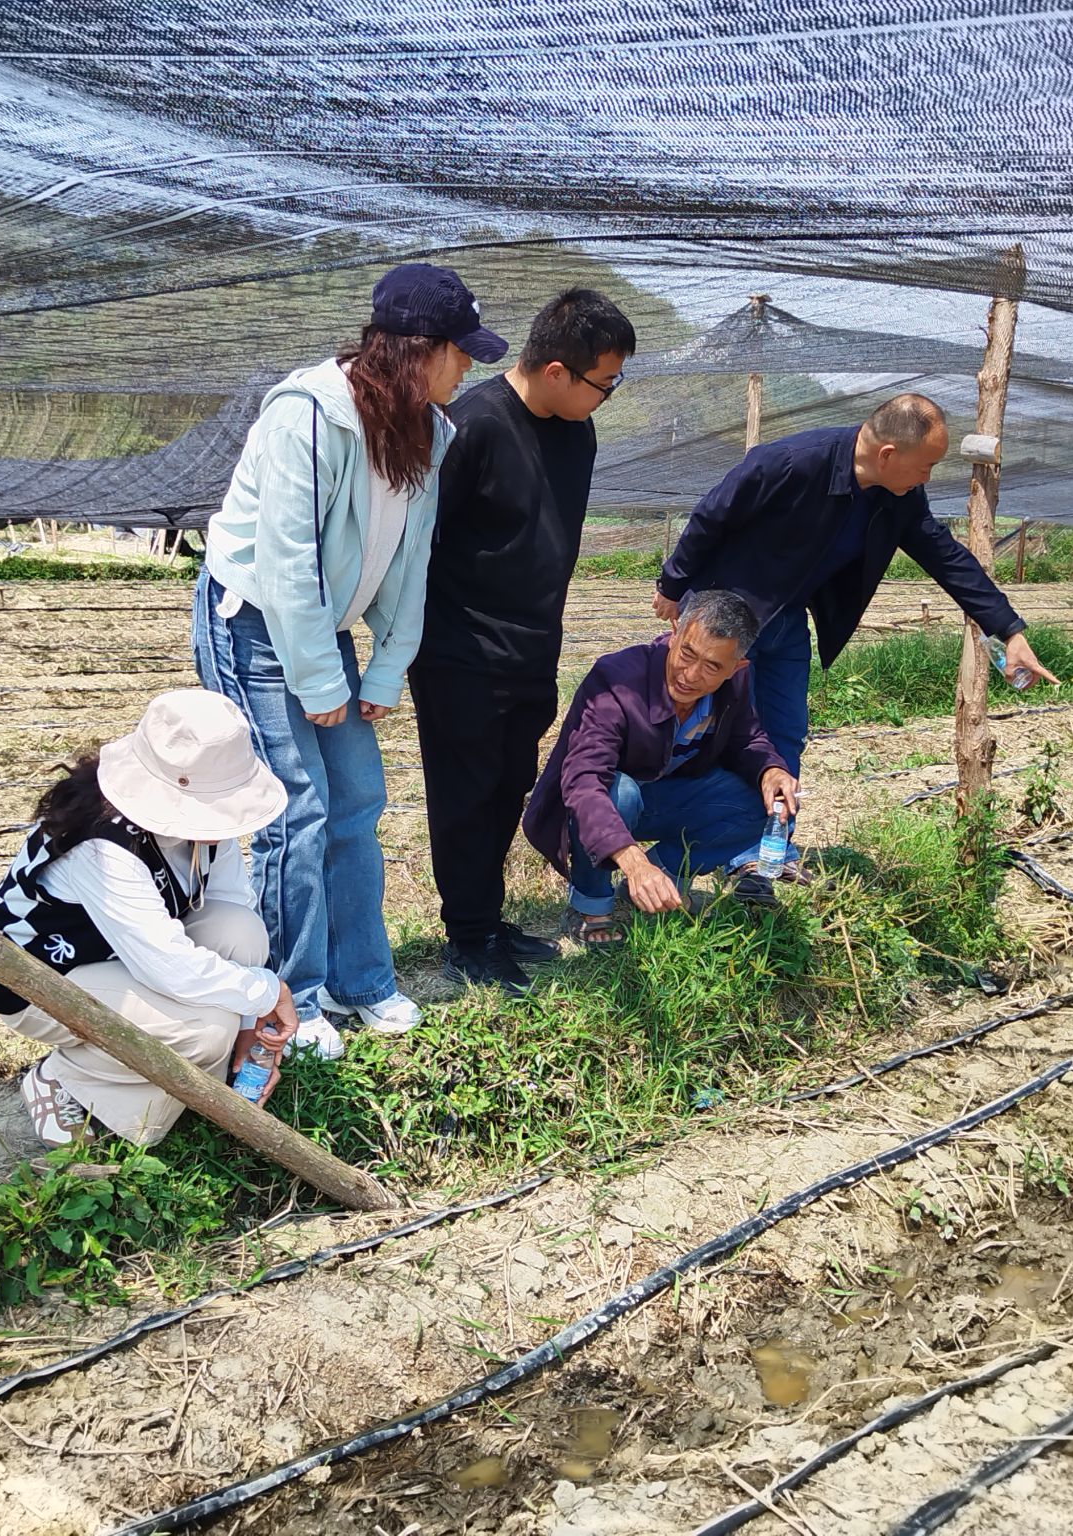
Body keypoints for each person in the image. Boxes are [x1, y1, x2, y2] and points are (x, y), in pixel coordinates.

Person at [193, 264, 507, 1058]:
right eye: (461, 353)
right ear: (419, 349)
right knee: (294, 810)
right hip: (252, 617)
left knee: (359, 798)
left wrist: (385, 669)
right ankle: (288, 1001)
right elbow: (288, 560)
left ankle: (359, 980)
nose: (467, 370)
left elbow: (409, 559)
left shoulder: (429, 431)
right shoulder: (307, 415)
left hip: (320, 622)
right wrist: (319, 680)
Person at [410, 288, 638, 995]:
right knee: (466, 796)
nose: (608, 396)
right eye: (605, 382)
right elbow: (418, 546)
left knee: (509, 787)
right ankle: (468, 937)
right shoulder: (470, 426)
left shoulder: (576, 432)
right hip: (461, 653)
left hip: (533, 649)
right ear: (557, 372)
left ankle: (487, 918)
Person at [653, 393, 1058, 777]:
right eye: (926, 466)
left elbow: (946, 557)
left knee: (785, 734)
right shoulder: (792, 462)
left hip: (785, 622)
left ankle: (771, 825)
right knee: (706, 729)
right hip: (723, 619)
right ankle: (682, 818)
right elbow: (712, 515)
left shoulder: (899, 497)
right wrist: (673, 585)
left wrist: (1009, 630)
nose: (927, 477)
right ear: (887, 455)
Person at [0, 691, 300, 1146]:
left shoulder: (200, 826)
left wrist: (249, 1026)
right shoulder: (103, 845)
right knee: (204, 1030)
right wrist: (267, 993)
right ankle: (68, 1079)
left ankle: (174, 1072)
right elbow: (167, 966)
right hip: (37, 977)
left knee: (240, 930)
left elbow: (233, 905)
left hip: (117, 954)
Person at [521, 590, 799, 946]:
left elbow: (747, 738)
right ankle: (590, 904)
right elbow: (583, 781)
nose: (691, 675)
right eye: (687, 653)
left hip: (663, 795)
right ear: (674, 631)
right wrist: (633, 860)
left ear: (737, 667)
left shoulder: (736, 684)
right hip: (600, 804)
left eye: (712, 666)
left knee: (770, 804)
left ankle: (661, 881)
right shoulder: (617, 679)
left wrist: (770, 769)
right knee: (619, 792)